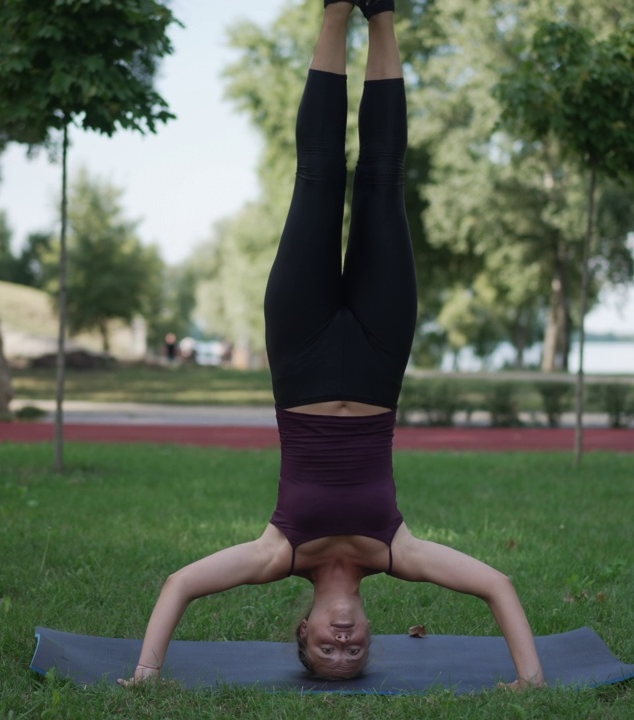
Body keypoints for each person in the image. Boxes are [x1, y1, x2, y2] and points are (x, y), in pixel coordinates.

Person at [119, 0, 546, 690]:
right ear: (372, 633)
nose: (342, 643)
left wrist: (145, 675)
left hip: (301, 351)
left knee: (318, 176)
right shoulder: (398, 550)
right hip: (378, 361)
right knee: (382, 181)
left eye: (327, 651)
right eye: (354, 654)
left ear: (303, 630)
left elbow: (178, 586)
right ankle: (380, 14)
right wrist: (531, 681)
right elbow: (497, 585)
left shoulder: (274, 552)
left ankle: (335, 9)